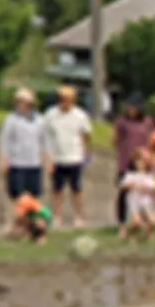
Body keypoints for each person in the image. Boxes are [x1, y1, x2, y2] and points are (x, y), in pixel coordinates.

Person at [43, 85, 93, 228]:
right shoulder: (50, 115)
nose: (64, 102)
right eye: (62, 99)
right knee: (57, 190)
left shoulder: (80, 115)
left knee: (76, 189)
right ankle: (56, 216)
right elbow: (46, 136)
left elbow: (85, 135)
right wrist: (47, 158)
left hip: (74, 157)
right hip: (57, 158)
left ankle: (80, 216)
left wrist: (86, 153)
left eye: (67, 99)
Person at [112, 94, 155, 227]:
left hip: (143, 161)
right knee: (124, 192)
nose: (131, 110)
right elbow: (115, 140)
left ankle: (143, 220)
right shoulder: (122, 122)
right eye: (129, 107)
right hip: (126, 162)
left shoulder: (147, 122)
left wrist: (149, 158)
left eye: (134, 108)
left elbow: (151, 139)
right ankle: (122, 222)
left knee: (143, 192)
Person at [119, 148, 155, 241]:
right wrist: (130, 185)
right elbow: (123, 185)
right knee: (136, 222)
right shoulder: (131, 175)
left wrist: (147, 188)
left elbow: (154, 187)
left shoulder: (149, 176)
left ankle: (150, 234)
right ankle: (131, 234)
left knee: (153, 221)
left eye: (142, 162)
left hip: (145, 202)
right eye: (137, 161)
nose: (139, 164)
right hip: (134, 201)